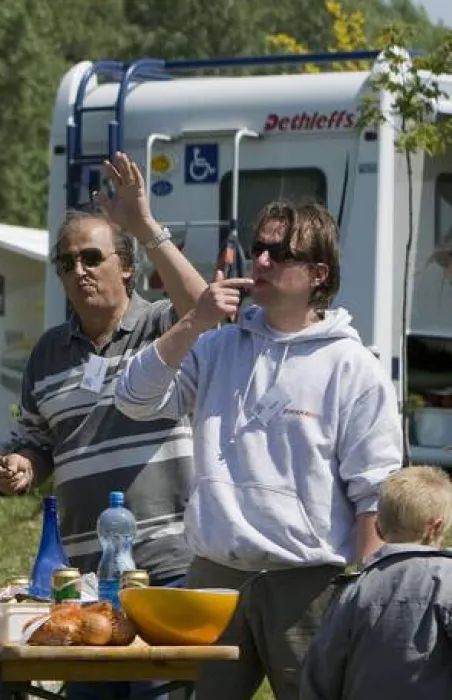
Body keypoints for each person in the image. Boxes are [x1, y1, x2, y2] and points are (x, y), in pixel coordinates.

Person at [114, 199, 402, 700]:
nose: (262, 260)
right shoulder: (218, 345)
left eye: (280, 252)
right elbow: (132, 399)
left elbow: (374, 492)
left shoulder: (353, 366)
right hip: (213, 575)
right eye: (258, 248)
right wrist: (193, 322)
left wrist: (368, 595)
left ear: (318, 274)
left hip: (308, 581)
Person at [0, 153, 209, 699]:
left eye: (92, 257)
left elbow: (205, 308)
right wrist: (21, 466)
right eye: (66, 263)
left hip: (166, 566)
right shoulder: (48, 353)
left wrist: (146, 225)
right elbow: (37, 442)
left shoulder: (162, 323)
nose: (79, 271)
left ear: (127, 267)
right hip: (86, 578)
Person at [300, 465, 452, 700]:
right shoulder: (447, 581)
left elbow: (322, 671)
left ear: (378, 526)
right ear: (436, 527)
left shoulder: (354, 588)